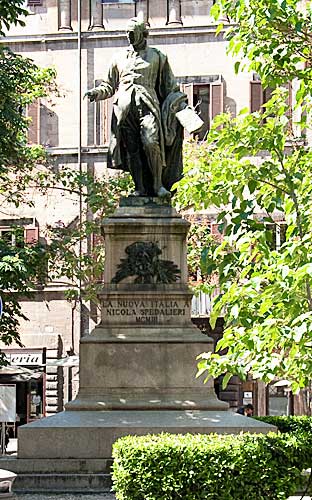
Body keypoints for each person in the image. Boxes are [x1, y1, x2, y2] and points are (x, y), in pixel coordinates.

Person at [84, 17, 192, 198]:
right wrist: (96, 93)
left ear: (143, 34)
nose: (129, 36)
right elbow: (108, 86)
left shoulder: (158, 56)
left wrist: (181, 105)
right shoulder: (118, 58)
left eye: (132, 32)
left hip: (149, 106)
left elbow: (169, 86)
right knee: (132, 150)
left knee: (151, 142)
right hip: (124, 110)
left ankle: (158, 185)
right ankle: (140, 188)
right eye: (127, 32)